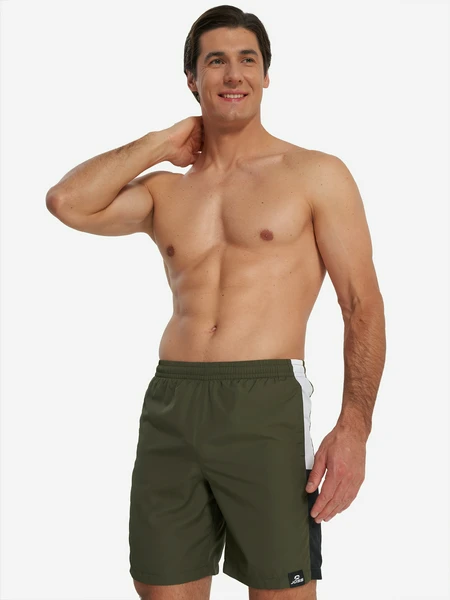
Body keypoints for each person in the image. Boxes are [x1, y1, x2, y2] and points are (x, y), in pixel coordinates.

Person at [45, 5, 386, 600]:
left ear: (266, 75)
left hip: (265, 405)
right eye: (216, 61)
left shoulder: (315, 174)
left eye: (247, 60)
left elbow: (362, 305)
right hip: (172, 402)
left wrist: (354, 427)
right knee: (161, 589)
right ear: (192, 79)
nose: (233, 74)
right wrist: (159, 143)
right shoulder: (166, 191)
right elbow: (66, 201)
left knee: (281, 591)